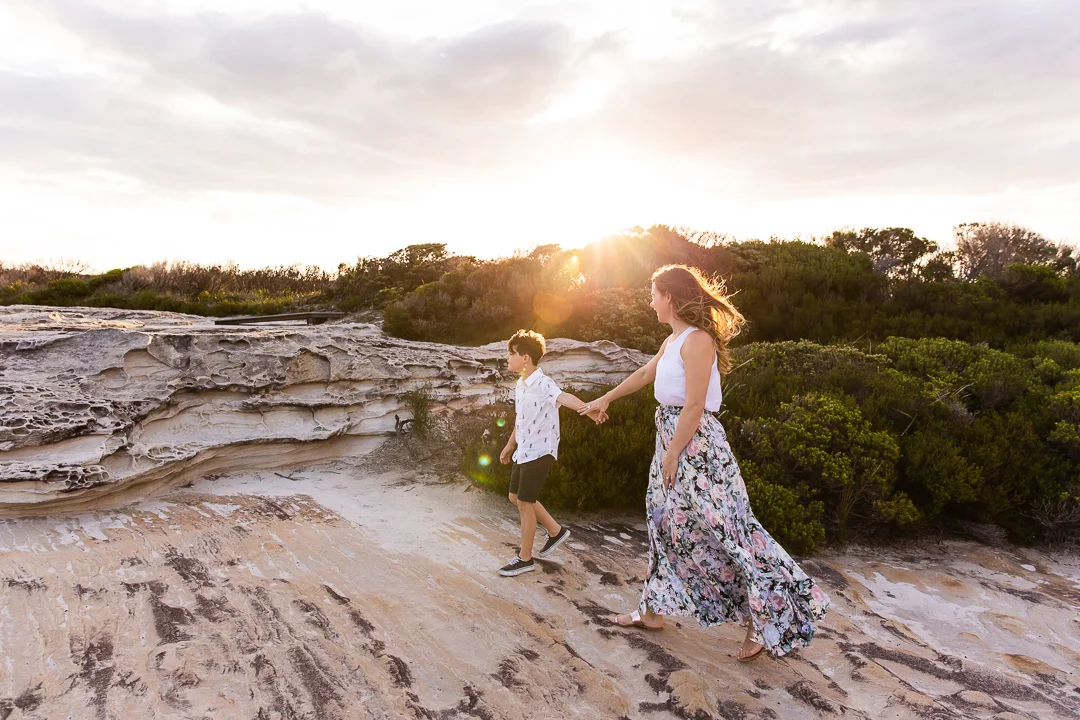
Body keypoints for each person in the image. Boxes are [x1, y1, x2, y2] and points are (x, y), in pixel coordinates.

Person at [580, 265, 830, 661]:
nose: (649, 301)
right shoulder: (675, 338)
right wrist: (606, 398)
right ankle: (652, 611)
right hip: (671, 437)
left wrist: (675, 451)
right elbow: (647, 372)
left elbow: (695, 404)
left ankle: (764, 618)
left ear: (671, 298)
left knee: (726, 531)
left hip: (696, 447)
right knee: (663, 522)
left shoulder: (698, 341)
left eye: (653, 294)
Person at [497, 330, 593, 577]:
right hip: (524, 449)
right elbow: (521, 419)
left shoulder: (543, 383)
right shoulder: (520, 385)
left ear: (525, 358)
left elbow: (564, 397)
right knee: (514, 497)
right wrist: (510, 445)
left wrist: (588, 409)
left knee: (525, 503)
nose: (507, 357)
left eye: (511, 353)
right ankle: (555, 530)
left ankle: (525, 558)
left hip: (541, 451)